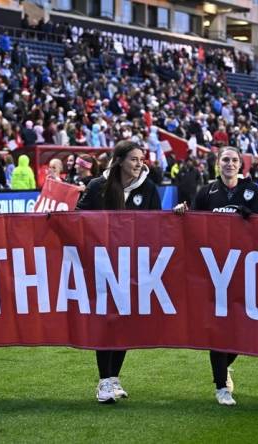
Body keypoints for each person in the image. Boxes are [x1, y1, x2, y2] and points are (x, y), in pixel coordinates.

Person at [173, 146, 258, 406]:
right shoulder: (206, 192)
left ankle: (225, 368)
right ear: (218, 163)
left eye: (234, 160)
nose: (229, 163)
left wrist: (252, 219)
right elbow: (192, 226)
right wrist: (182, 213)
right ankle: (221, 386)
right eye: (225, 159)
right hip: (214, 271)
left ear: (241, 164)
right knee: (217, 329)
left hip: (245, 268)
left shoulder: (252, 191)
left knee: (244, 329)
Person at [76, 141, 161, 404]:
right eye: (134, 159)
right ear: (120, 160)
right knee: (106, 321)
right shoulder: (96, 186)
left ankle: (114, 378)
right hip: (101, 265)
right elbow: (77, 218)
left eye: (141, 159)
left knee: (125, 321)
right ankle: (103, 382)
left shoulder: (148, 188)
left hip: (133, 267)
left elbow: (158, 224)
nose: (139, 164)